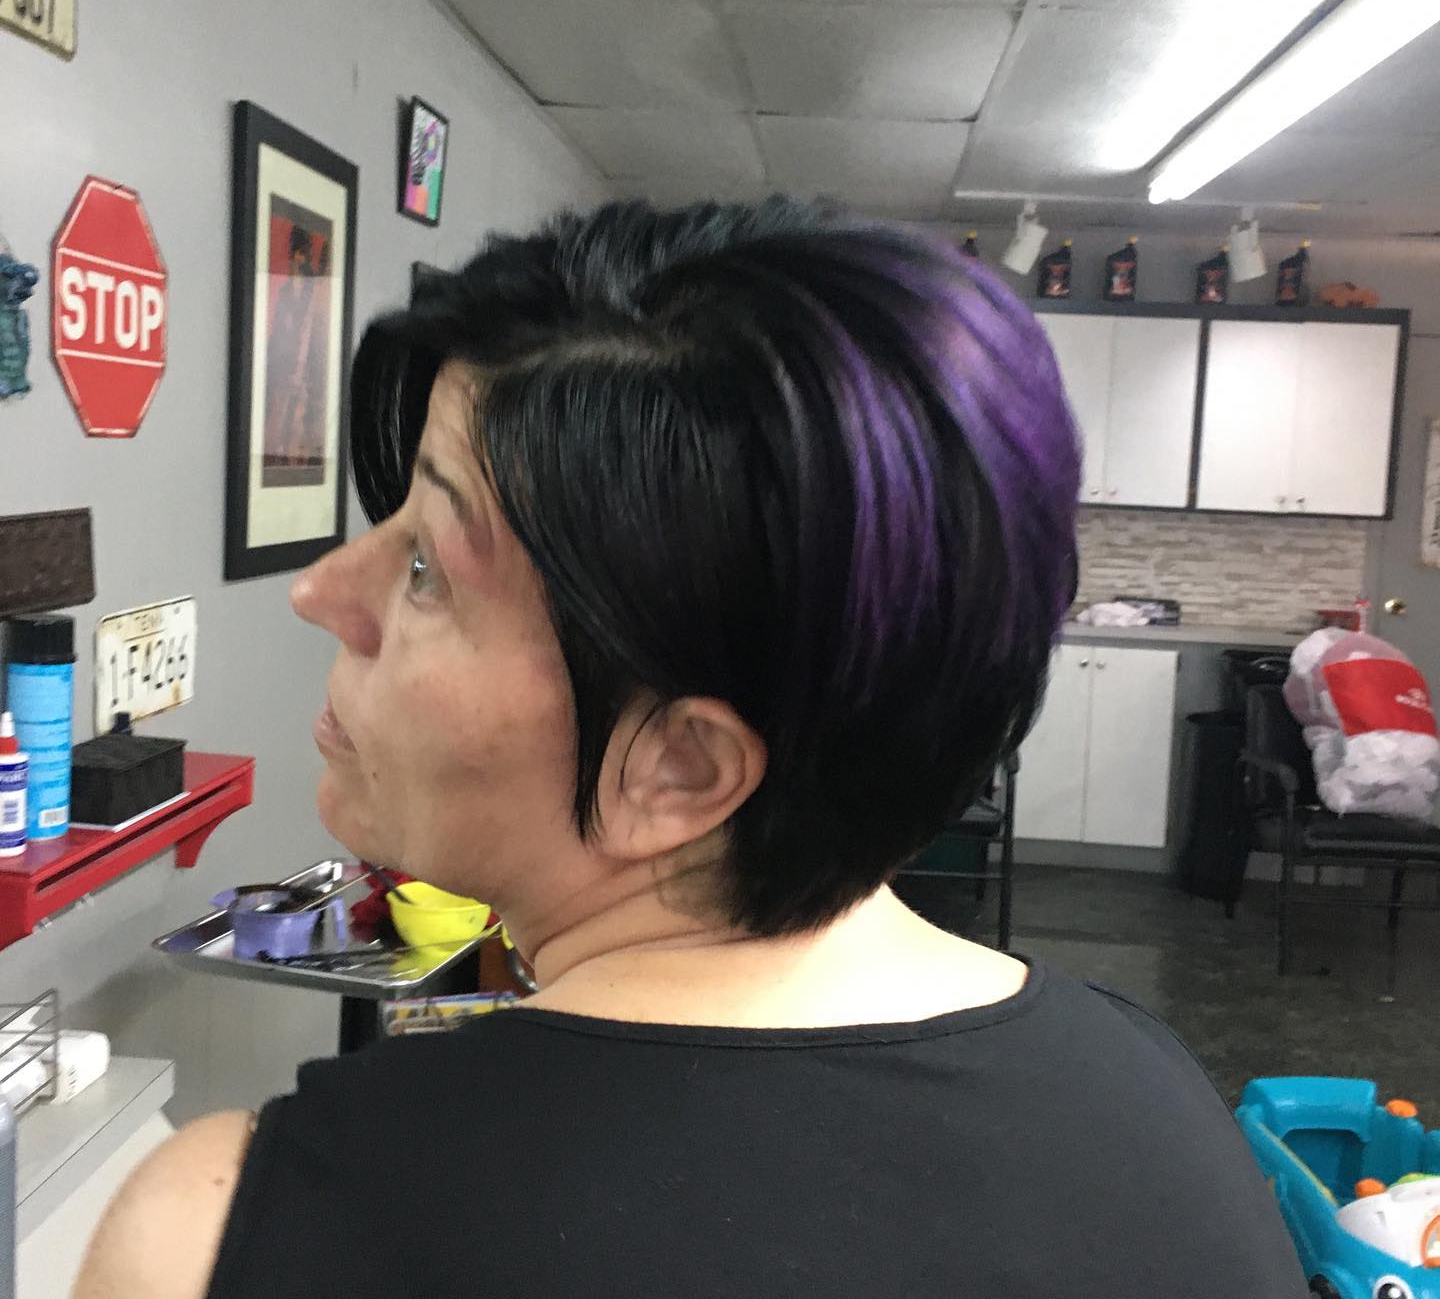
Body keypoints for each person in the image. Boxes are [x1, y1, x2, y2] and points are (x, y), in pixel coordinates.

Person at [75, 200, 1306, 1298]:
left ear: (680, 770)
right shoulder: (1159, 1105)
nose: (322, 594)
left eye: (426, 568)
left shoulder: (228, 1234)